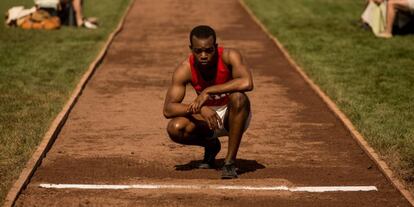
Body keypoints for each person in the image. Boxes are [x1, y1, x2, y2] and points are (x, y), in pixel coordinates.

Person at [163, 25, 253, 179]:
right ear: (191, 49)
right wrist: (199, 110)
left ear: (215, 47)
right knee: (175, 128)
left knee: (238, 97)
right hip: (207, 119)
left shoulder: (230, 56)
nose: (203, 55)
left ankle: (229, 163)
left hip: (235, 113)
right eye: (198, 51)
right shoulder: (185, 69)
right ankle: (211, 145)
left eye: (209, 50)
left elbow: (247, 82)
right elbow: (168, 109)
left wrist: (208, 91)